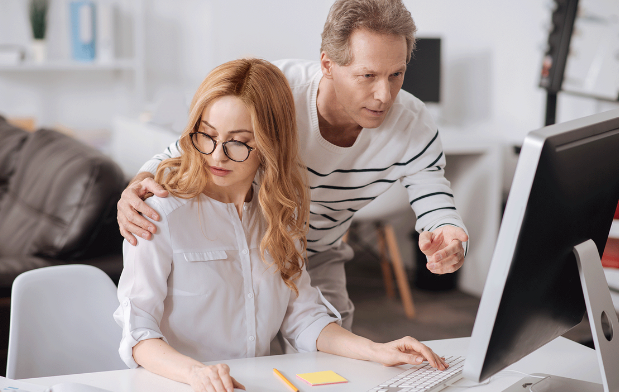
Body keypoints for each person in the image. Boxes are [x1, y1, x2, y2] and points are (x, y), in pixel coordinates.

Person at [113, 58, 448, 392]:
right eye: (207, 135)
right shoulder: (158, 213)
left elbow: (302, 317)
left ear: (270, 145)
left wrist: (376, 350)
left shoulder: (280, 215)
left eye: (239, 142)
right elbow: (138, 334)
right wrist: (197, 374)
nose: (218, 156)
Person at [116, 0, 469, 331]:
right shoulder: (276, 91)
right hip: (251, 243)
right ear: (328, 64)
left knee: (331, 349)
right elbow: (198, 143)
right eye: (367, 76)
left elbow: (433, 191)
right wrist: (140, 182)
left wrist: (449, 233)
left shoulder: (413, 124)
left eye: (396, 75)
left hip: (319, 251)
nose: (384, 95)